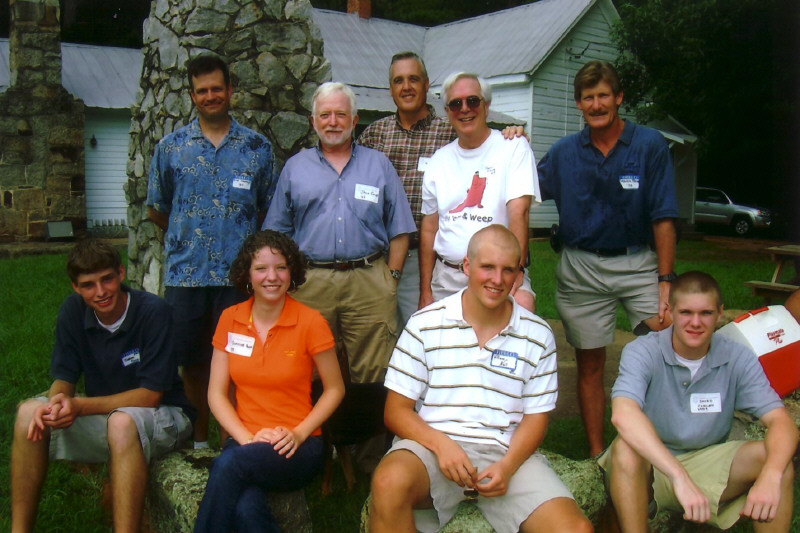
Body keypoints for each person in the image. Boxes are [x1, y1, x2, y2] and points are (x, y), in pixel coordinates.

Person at [370, 225, 592, 533]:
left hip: (506, 451)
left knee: (575, 529)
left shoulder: (537, 334)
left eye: (508, 270)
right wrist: (441, 445)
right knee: (387, 482)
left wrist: (508, 466)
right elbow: (395, 411)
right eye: (487, 267)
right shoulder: (424, 324)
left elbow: (536, 418)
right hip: (432, 448)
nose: (497, 280)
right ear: (466, 266)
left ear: (519, 274)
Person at [537, 60, 678, 457]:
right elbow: (518, 186)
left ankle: (664, 444)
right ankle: (599, 455)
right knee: (590, 363)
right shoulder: (563, 153)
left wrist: (665, 280)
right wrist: (509, 141)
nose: (596, 105)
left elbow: (664, 217)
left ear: (618, 97)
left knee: (668, 347)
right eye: (588, 98)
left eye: (603, 96)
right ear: (578, 103)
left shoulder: (649, 145)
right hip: (581, 267)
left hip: (638, 262)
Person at [10, 239, 194, 533]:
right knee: (27, 415)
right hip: (107, 417)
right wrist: (57, 402)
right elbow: (64, 377)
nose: (100, 292)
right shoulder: (72, 311)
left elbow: (151, 395)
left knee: (121, 423)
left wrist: (80, 406)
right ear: (75, 287)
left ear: (121, 273)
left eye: (107, 279)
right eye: (88, 285)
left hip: (165, 415)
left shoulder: (153, 311)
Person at [599, 271, 798, 532]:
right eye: (686, 313)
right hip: (650, 464)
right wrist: (678, 476)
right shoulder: (643, 350)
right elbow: (622, 414)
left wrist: (771, 476)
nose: (695, 322)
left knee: (778, 462)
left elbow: (782, 422)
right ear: (670, 311)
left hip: (707, 460)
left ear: (719, 314)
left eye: (705, 313)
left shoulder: (737, 355)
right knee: (625, 449)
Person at [147, 54, 275, 449]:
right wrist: (193, 236)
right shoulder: (171, 148)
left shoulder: (257, 148)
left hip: (238, 280)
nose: (210, 96)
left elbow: (266, 209)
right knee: (193, 362)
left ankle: (232, 441)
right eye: (201, 91)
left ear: (230, 90)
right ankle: (199, 439)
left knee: (237, 361)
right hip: (186, 277)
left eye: (217, 88)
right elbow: (157, 209)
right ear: (192, 95)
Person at [263, 81, 415, 386]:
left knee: (374, 370)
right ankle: (315, 420)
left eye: (341, 115)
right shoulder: (294, 168)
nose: (333, 122)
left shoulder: (379, 165)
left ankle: (368, 420)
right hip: (310, 282)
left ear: (354, 120)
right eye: (325, 115)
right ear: (313, 121)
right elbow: (276, 234)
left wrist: (392, 278)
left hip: (370, 282)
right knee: (307, 367)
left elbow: (400, 229)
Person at [193, 230, 344, 533]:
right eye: (261, 268)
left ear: (292, 272)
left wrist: (298, 434)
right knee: (245, 506)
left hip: (297, 447)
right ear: (247, 274)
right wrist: (247, 440)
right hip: (244, 441)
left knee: (228, 465)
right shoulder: (230, 319)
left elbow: (335, 389)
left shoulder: (310, 321)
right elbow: (216, 394)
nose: (271, 277)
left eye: (281, 267)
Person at [419, 72, 538, 314]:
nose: (464, 109)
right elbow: (429, 229)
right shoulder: (438, 161)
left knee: (522, 309)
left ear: (486, 105)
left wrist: (515, 271)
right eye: (456, 103)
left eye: (472, 101)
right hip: (448, 279)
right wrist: (425, 290)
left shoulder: (514, 147)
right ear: (447, 111)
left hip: (497, 276)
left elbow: (519, 213)